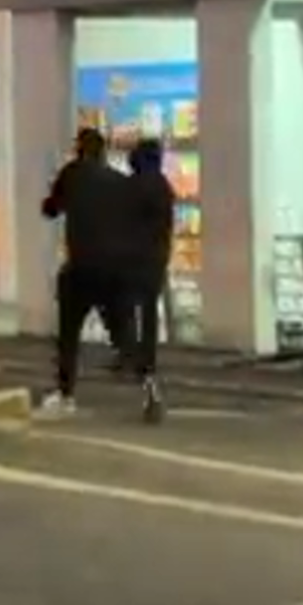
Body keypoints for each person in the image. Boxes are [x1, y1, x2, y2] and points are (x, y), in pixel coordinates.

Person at [37, 128, 134, 415]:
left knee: (69, 333)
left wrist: (54, 195)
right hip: (113, 266)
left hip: (81, 266)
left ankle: (66, 393)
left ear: (79, 149)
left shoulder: (73, 174)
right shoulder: (118, 181)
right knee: (120, 324)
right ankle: (145, 381)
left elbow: (51, 209)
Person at [124, 139, 177, 422]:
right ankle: (147, 357)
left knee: (126, 307)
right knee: (148, 309)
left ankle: (132, 356)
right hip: (156, 257)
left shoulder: (132, 187)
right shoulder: (164, 187)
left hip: (132, 257)